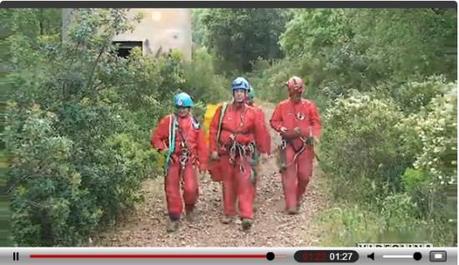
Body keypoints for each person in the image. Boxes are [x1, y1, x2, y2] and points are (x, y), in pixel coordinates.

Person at [209, 77, 270, 230]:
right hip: (226, 152)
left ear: (246, 93)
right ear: (233, 93)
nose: (239, 94)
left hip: (245, 152)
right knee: (228, 182)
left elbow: (260, 132)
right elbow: (214, 130)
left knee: (245, 182)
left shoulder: (253, 113)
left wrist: (263, 151)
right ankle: (229, 212)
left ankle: (246, 215)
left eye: (242, 91)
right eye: (237, 91)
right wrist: (213, 149)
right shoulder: (223, 110)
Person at [151, 92, 208, 232]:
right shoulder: (168, 121)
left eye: (185, 108)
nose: (182, 110)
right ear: (176, 108)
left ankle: (190, 207)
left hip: (189, 159)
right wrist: (163, 150)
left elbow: (201, 145)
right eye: (179, 107)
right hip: (173, 159)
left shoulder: (195, 124)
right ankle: (174, 216)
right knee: (171, 189)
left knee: (191, 188)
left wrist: (203, 164)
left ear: (189, 108)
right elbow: (156, 138)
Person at [270, 76, 321, 214]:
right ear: (289, 92)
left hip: (305, 145)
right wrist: (282, 129)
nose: (297, 95)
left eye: (299, 93)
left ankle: (298, 197)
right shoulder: (282, 106)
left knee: (304, 176)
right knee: (288, 175)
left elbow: (316, 123)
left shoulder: (309, 106)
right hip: (288, 143)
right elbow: (274, 121)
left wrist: (312, 134)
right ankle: (291, 204)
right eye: (294, 93)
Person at [245, 86, 271, 205]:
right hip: (238, 145)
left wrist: (265, 149)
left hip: (254, 146)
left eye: (249, 100)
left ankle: (250, 198)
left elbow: (263, 131)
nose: (247, 103)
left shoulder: (257, 111)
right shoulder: (232, 110)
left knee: (253, 173)